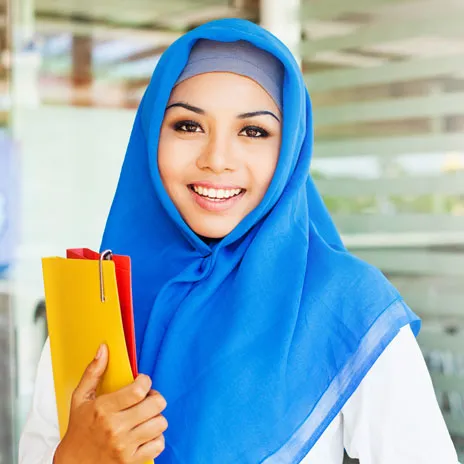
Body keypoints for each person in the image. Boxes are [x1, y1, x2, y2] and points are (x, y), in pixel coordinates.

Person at [19, 18, 459, 464]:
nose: (217, 159)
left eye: (253, 131)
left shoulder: (343, 302)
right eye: (189, 126)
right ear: (151, 136)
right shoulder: (98, 303)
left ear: (289, 149)